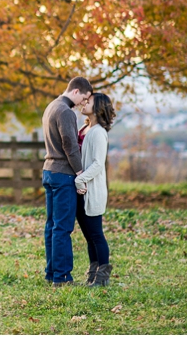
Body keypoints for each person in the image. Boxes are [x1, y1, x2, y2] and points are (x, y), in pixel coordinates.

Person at [41, 76, 92, 286]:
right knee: (62, 227)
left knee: (52, 225)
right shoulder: (65, 112)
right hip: (63, 174)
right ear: (76, 91)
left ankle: (52, 273)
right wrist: (80, 172)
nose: (83, 102)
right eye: (84, 97)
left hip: (49, 171)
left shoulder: (51, 106)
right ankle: (62, 277)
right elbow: (70, 145)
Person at [75, 92, 115, 287]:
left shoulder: (99, 132)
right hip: (81, 190)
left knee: (96, 235)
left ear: (98, 107)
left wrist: (80, 179)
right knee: (88, 236)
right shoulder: (85, 127)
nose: (84, 103)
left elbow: (98, 164)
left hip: (92, 190)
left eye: (88, 101)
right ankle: (93, 273)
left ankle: (103, 276)